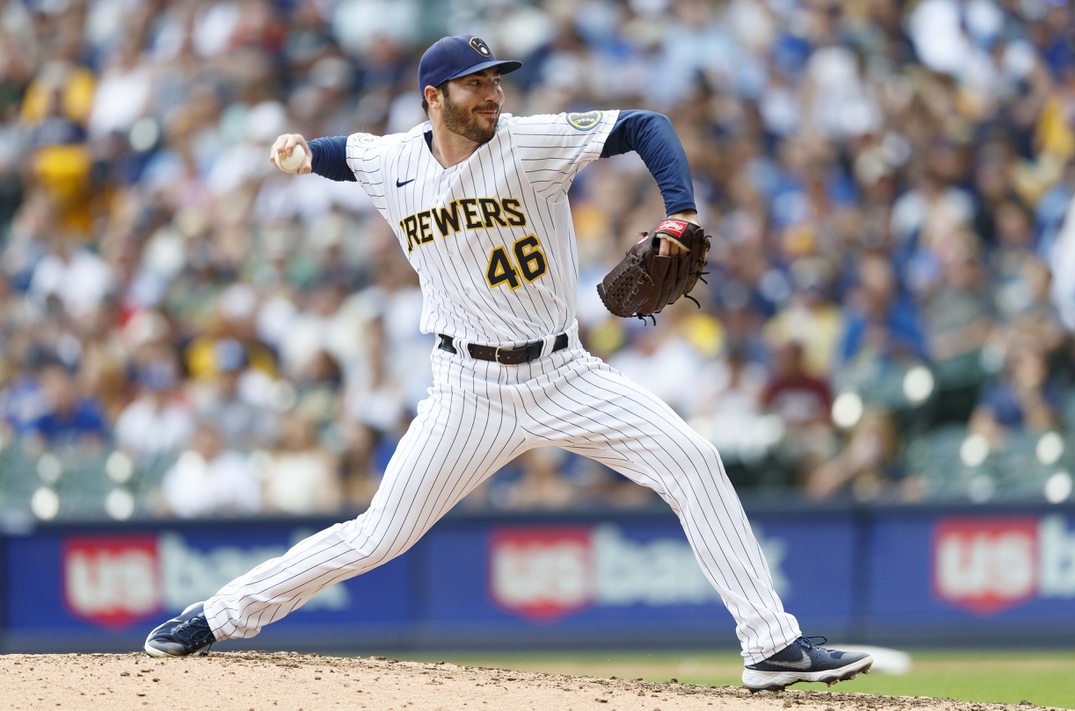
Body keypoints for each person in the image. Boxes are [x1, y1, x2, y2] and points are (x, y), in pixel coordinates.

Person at [143, 34, 871, 691]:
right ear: (435, 98)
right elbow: (343, 155)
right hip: (467, 390)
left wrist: (679, 208)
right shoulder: (392, 158)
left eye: (496, 81)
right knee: (377, 535)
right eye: (476, 84)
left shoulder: (530, 143)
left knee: (693, 460)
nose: (493, 94)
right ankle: (219, 614)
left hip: (564, 373)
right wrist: (304, 154)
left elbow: (647, 125)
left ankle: (770, 643)